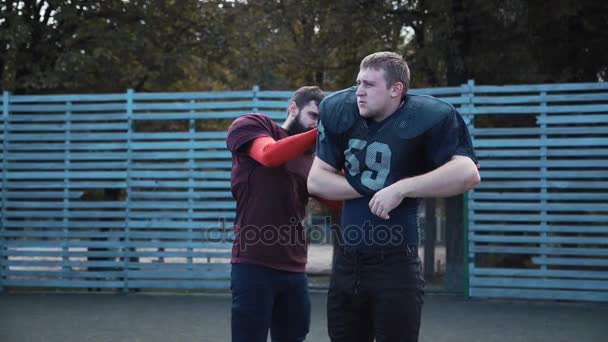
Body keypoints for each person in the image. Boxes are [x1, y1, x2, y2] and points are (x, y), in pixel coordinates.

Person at [308, 51, 481, 342]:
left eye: (369, 84)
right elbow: (316, 180)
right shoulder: (339, 108)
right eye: (358, 82)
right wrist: (378, 186)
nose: (359, 92)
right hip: (347, 261)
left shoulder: (429, 115)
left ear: (395, 89)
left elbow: (467, 173)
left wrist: (401, 188)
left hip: (396, 264)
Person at [226, 86, 326, 342]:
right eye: (314, 116)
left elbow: (336, 199)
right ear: (292, 107)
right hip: (253, 263)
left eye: (322, 120)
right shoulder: (253, 124)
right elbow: (270, 155)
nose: (318, 124)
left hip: (294, 268)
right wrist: (324, 131)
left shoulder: (313, 160)